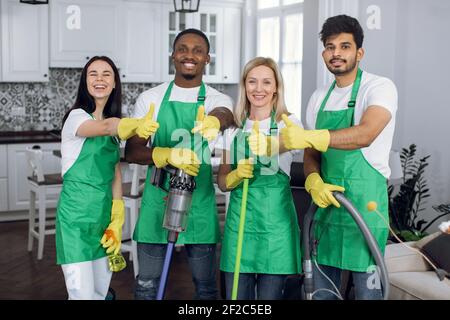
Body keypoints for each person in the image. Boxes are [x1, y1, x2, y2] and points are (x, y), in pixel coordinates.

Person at [281, 15, 398, 300]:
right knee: (322, 293)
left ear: (359, 52)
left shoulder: (379, 87)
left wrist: (315, 136)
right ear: (324, 53)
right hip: (327, 207)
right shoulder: (319, 97)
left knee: (368, 294)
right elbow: (312, 155)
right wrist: (312, 180)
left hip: (365, 210)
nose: (336, 53)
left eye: (345, 46)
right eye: (330, 46)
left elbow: (366, 133)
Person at [125, 28, 235, 300]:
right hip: (156, 201)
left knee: (206, 288)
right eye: (183, 49)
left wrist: (214, 121)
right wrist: (164, 155)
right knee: (146, 285)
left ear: (207, 58)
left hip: (198, 203)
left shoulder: (216, 99)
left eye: (198, 50)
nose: (190, 55)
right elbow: (132, 151)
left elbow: (226, 114)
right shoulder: (150, 99)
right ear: (173, 55)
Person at [56, 56, 159, 300]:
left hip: (103, 220)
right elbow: (104, 128)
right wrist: (131, 125)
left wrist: (117, 212)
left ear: (114, 83)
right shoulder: (77, 118)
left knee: (101, 292)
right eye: (93, 74)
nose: (99, 79)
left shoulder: (114, 132)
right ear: (85, 82)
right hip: (76, 220)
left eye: (106, 74)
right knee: (81, 294)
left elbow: (114, 169)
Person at [217, 57, 302, 300]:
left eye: (266, 82)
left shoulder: (288, 124)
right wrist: (234, 175)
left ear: (276, 87)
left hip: (275, 228)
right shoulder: (233, 129)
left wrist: (270, 145)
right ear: (244, 86)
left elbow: (293, 146)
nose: (259, 88)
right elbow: (222, 182)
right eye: (252, 82)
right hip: (239, 227)